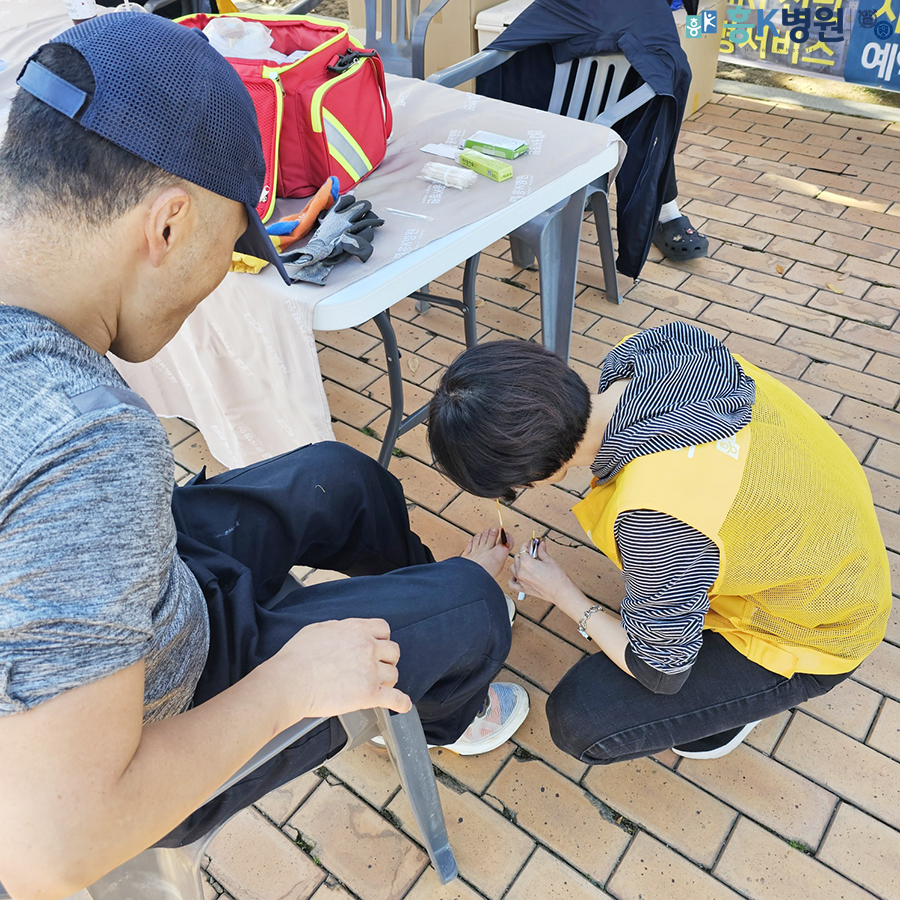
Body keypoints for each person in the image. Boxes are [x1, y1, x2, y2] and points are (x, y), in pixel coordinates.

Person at [0, 14, 528, 899]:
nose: (223, 278)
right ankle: (443, 695)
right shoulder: (85, 441)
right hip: (170, 718)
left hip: (157, 591)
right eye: (233, 246)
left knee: (341, 476)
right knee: (477, 604)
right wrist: (290, 688)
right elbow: (52, 851)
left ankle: (414, 628)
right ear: (168, 224)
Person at [427, 322, 891, 765]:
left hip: (817, 627)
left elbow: (660, 672)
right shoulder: (651, 348)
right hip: (835, 545)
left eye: (511, 490)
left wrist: (563, 594)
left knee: (580, 718)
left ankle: (726, 711)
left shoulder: (655, 517)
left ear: (535, 474)